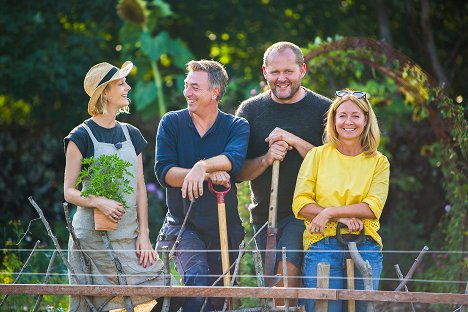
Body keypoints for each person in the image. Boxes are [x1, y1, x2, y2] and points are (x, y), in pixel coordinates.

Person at [64, 61, 176, 312]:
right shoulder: (80, 136)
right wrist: (98, 201)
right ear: (105, 92)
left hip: (129, 234)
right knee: (108, 301)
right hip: (95, 237)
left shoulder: (131, 133)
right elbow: (69, 192)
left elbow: (140, 188)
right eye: (121, 83)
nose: (128, 87)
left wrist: (144, 235)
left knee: (166, 288)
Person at [235, 41, 331, 305]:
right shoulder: (250, 111)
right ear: (265, 72)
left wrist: (295, 141)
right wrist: (267, 158)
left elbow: (332, 167)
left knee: (287, 282)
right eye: (275, 72)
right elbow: (239, 172)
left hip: (308, 212)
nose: (281, 78)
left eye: (288, 71)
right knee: (278, 293)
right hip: (266, 214)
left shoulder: (325, 110)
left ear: (302, 69)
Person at [155, 59, 250, 312]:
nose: (187, 92)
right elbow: (164, 172)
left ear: (214, 93)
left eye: (195, 87)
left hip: (224, 228)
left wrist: (201, 167)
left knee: (220, 298)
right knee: (197, 282)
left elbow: (235, 160)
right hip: (182, 225)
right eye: (187, 86)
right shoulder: (172, 123)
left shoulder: (236, 126)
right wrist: (208, 174)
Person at [292, 89, 390, 311]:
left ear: (366, 120)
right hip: (322, 245)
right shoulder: (316, 155)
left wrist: (329, 213)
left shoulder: (379, 162)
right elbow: (301, 203)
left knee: (363, 309)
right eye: (342, 115)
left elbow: (372, 208)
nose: (348, 121)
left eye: (356, 116)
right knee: (324, 308)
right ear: (333, 120)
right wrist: (345, 217)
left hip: (365, 244)